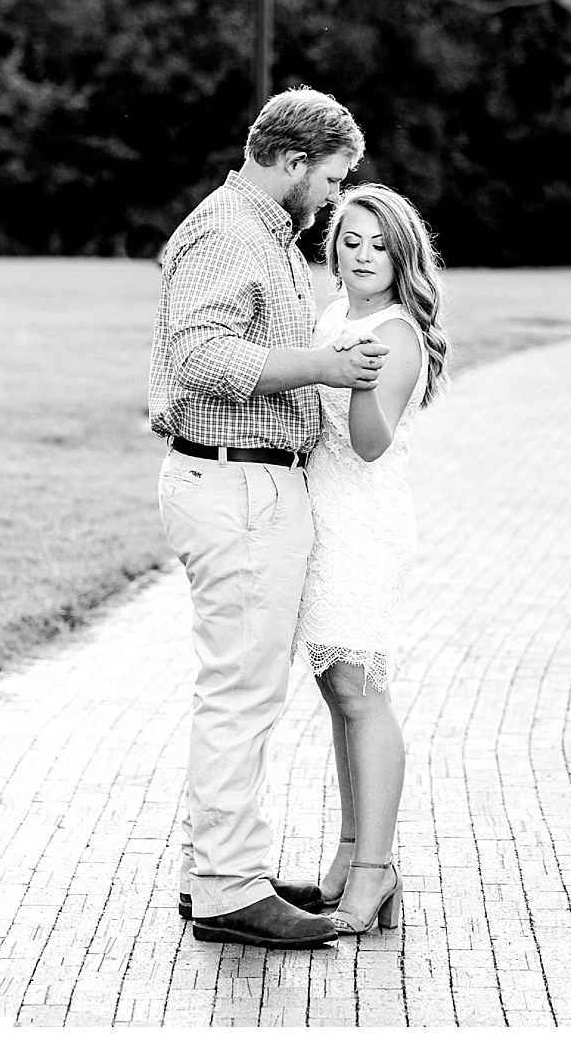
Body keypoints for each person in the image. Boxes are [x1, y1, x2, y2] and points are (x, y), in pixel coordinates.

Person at [147, 87, 388, 949]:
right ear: (291, 163)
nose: (330, 198)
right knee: (241, 694)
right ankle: (225, 889)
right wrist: (322, 364)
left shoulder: (265, 234)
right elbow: (199, 356)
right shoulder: (228, 232)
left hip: (247, 484)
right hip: (237, 486)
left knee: (239, 689)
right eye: (327, 180)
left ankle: (217, 866)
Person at [290, 184, 449, 935]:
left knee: (362, 690)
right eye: (350, 240)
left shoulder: (395, 332)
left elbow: (370, 441)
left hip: (363, 522)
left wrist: (351, 375)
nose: (360, 255)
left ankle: (377, 872)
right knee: (336, 691)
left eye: (378, 245)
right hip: (321, 520)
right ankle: (348, 855)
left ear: (401, 257)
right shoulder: (335, 315)